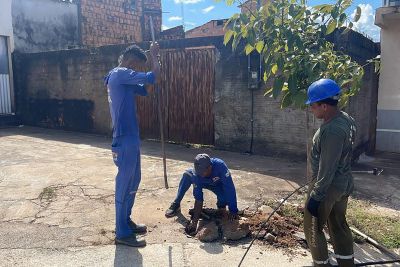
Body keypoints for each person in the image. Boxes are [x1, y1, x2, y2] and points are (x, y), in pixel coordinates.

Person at [104, 42, 160, 247]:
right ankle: (121, 232)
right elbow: (152, 76)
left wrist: (152, 78)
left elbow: (145, 88)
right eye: (137, 66)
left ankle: (126, 221)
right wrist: (154, 57)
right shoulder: (120, 73)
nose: (136, 71)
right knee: (124, 183)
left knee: (134, 180)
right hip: (124, 137)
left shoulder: (121, 78)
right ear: (131, 61)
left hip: (131, 137)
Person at [304, 79, 356, 267]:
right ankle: (346, 263)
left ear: (324, 106)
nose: (311, 109)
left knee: (312, 226)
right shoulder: (346, 119)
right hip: (343, 183)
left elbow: (328, 168)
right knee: (338, 224)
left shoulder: (332, 130)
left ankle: (321, 264)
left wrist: (316, 196)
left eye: (313, 105)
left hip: (328, 187)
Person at [165, 153, 239, 233]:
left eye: (203, 172)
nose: (201, 175)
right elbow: (198, 199)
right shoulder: (197, 175)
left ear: (210, 167)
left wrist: (233, 210)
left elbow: (229, 188)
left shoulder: (220, 166)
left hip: (216, 184)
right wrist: (194, 223)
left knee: (224, 198)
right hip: (201, 182)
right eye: (199, 172)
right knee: (187, 175)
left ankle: (221, 208)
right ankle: (176, 204)